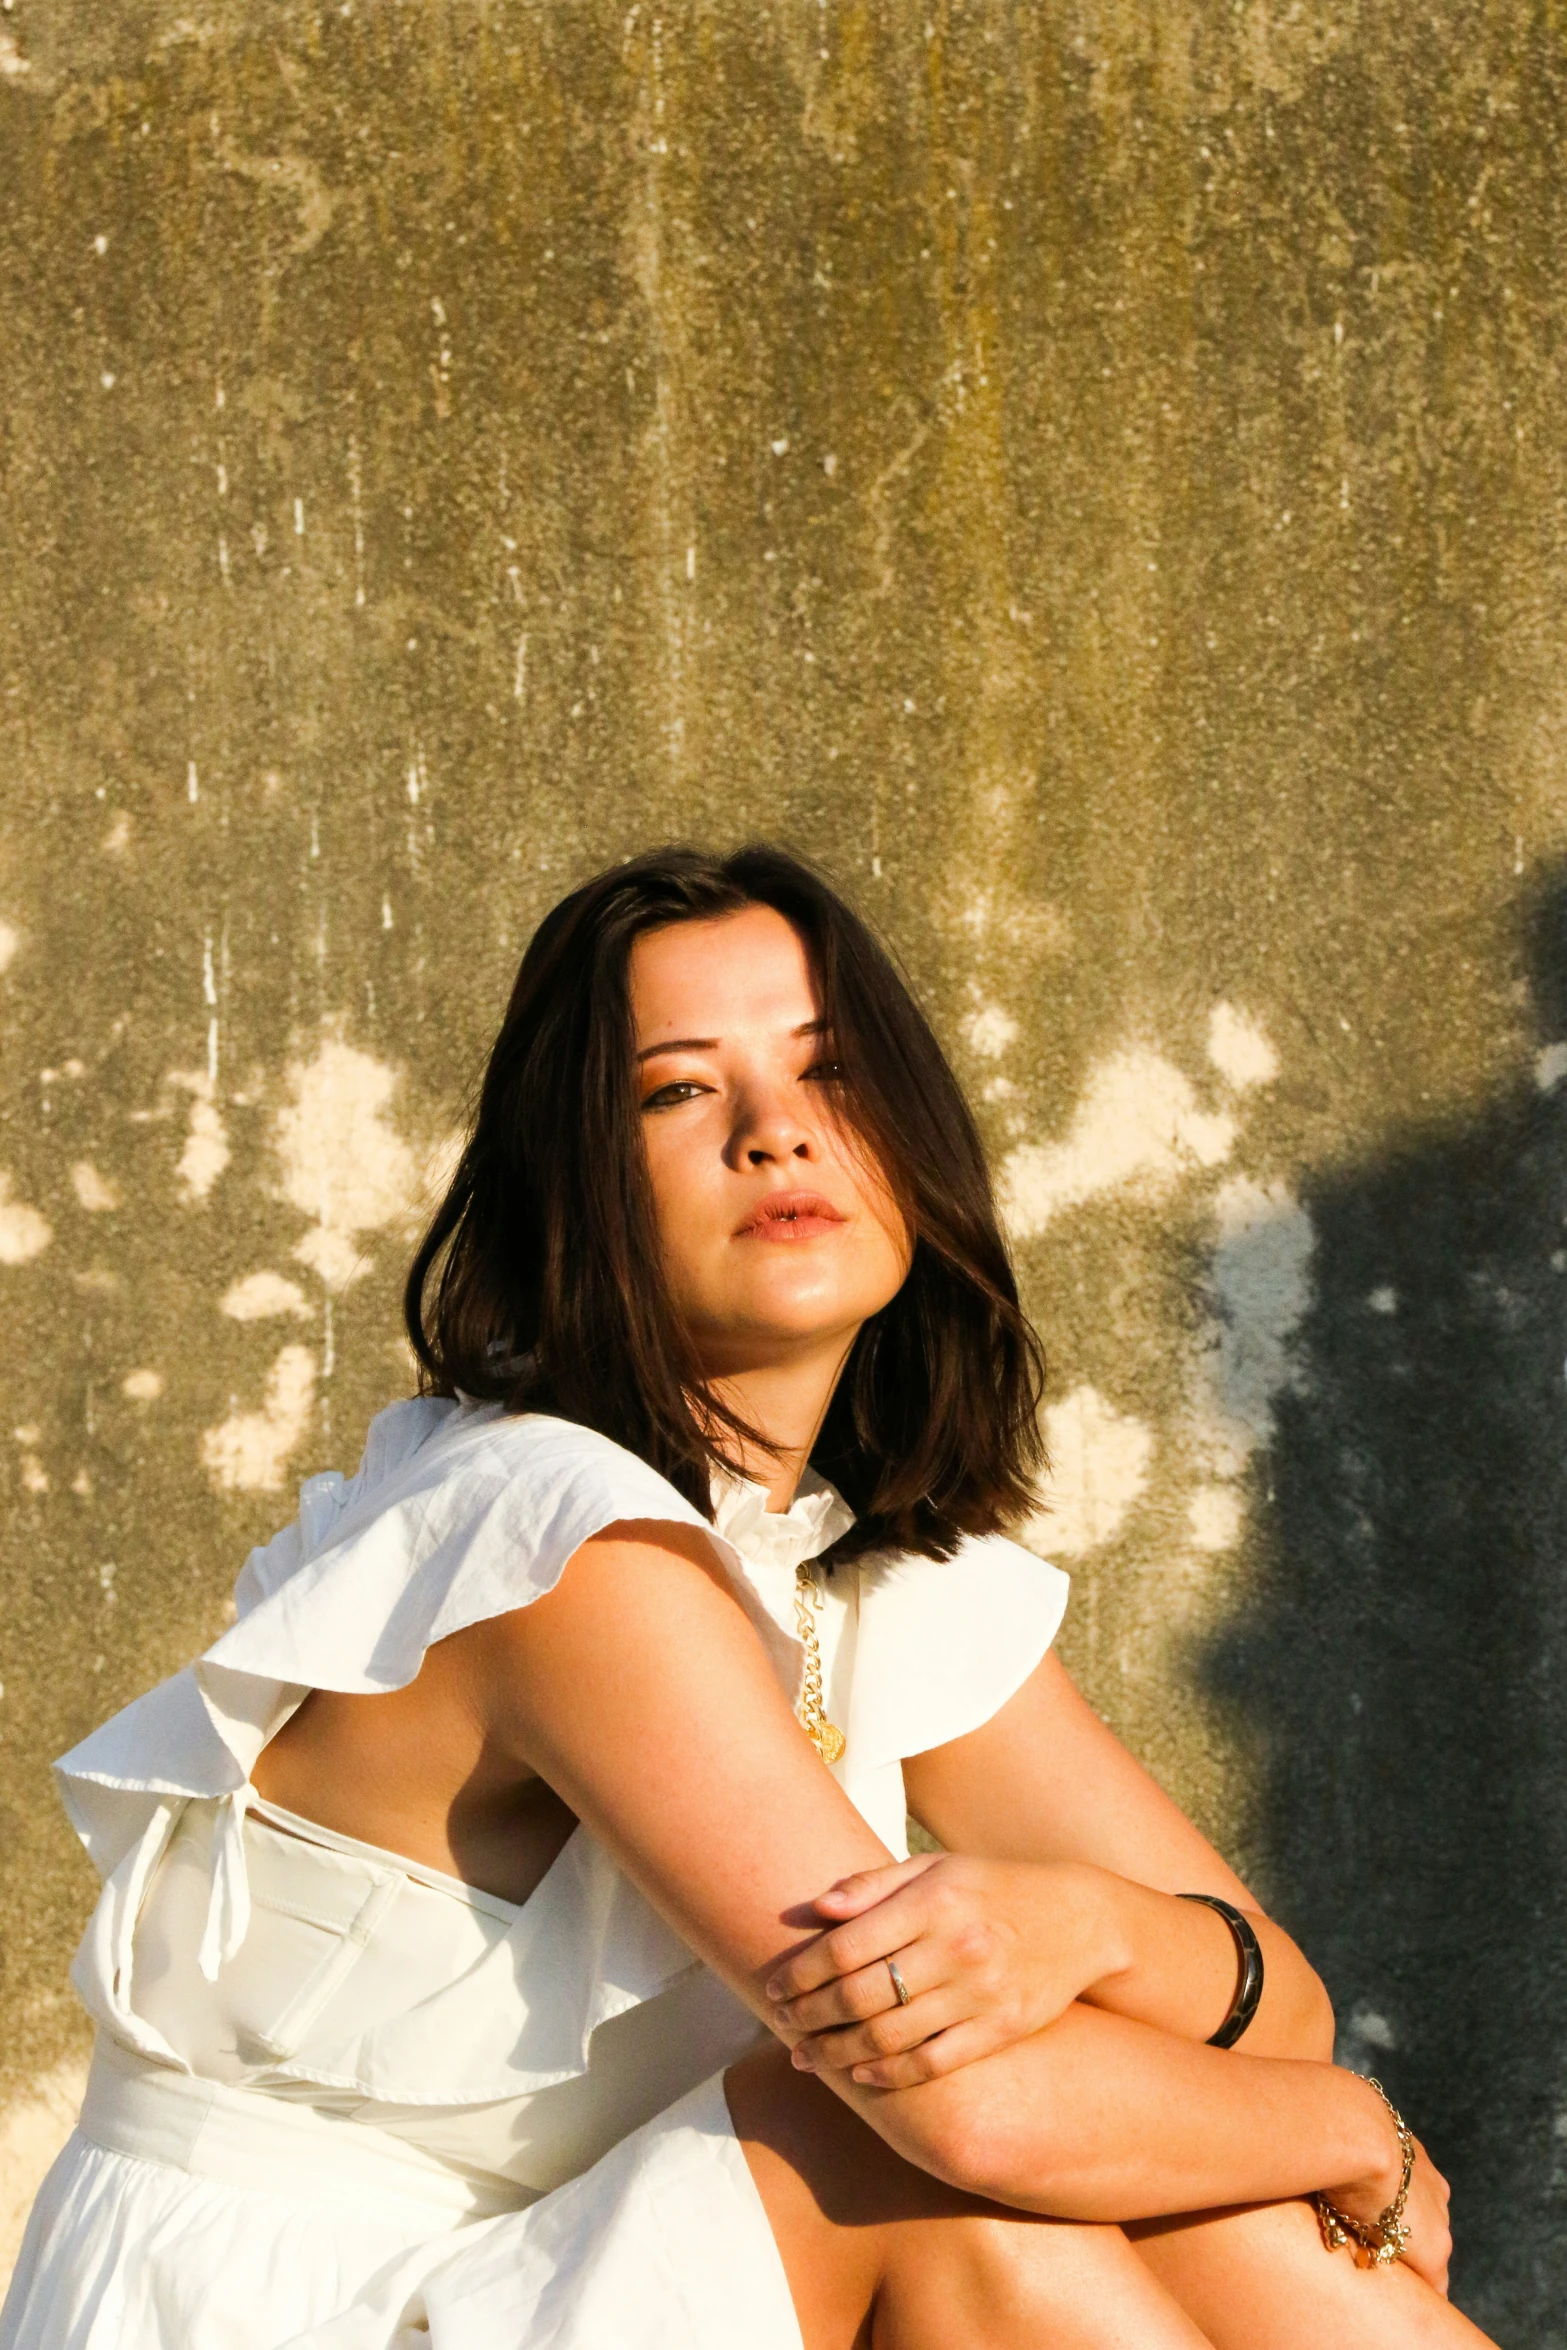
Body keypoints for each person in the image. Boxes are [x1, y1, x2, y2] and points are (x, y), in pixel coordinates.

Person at [1, 844, 1497, 2350]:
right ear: (574, 1191)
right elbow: (968, 2112)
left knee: (1192, 2171)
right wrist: (1359, 2131)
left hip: (555, 2274)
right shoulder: (561, 1544)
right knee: (913, 2150)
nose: (776, 1135)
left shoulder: (856, 1564)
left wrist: (1097, 1930)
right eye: (677, 1091)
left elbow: (1269, 2012)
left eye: (827, 1073)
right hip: (292, 2303)